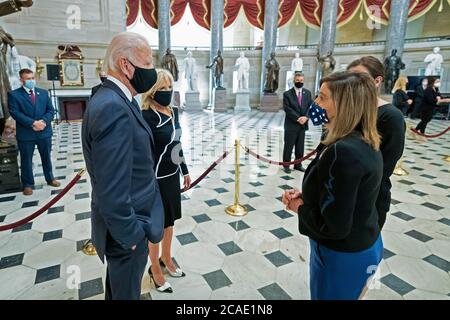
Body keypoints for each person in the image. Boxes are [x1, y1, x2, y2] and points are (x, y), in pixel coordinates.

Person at [283, 71, 383, 300]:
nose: (315, 103)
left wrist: (298, 206)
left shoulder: (343, 151)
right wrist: (312, 195)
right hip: (366, 240)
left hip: (343, 254)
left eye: (322, 97)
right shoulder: (360, 139)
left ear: (343, 104)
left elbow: (334, 227)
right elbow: (346, 192)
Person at [81, 32, 165, 300]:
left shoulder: (113, 99)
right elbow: (112, 189)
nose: (152, 70)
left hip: (126, 227)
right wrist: (131, 237)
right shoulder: (112, 107)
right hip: (127, 233)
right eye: (148, 62)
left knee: (119, 292)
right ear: (126, 65)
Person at [141, 69, 191, 293]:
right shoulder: (146, 116)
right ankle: (154, 268)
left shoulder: (173, 111)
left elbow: (177, 145)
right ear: (152, 91)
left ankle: (167, 258)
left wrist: (185, 170)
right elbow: (143, 154)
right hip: (154, 181)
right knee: (156, 228)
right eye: (162, 88)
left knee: (170, 222)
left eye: (169, 87)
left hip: (171, 179)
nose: (167, 91)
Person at [347, 56, 405, 229]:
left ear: (377, 80)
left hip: (369, 195)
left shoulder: (391, 116)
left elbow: (386, 163)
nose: (353, 83)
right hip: (341, 188)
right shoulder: (349, 110)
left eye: (359, 78)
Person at [8, 68, 60, 195]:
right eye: (28, 79)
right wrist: (33, 123)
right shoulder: (14, 95)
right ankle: (27, 184)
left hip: (44, 131)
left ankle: (50, 178)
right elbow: (15, 113)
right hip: (26, 133)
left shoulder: (43, 93)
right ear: (22, 80)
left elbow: (51, 111)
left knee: (46, 157)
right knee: (26, 159)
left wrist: (43, 122)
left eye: (32, 78)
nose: (31, 81)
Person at [282, 72, 312, 173]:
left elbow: (310, 107)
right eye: (297, 80)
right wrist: (299, 118)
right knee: (288, 146)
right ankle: (286, 165)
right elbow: (287, 108)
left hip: (303, 125)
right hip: (291, 125)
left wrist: (306, 117)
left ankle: (298, 165)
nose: (299, 82)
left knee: (300, 147)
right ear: (294, 81)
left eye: (301, 81)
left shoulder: (307, 93)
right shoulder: (287, 94)